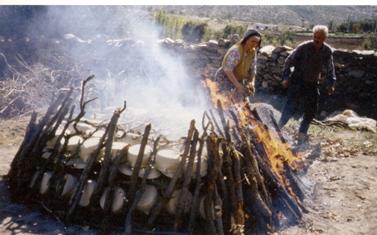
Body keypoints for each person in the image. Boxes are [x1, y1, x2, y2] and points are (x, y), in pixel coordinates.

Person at [278, 25, 336, 145]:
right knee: (291, 107)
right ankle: (277, 130)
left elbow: (331, 69)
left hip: (312, 82)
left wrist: (331, 83)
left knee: (311, 110)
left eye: (319, 37)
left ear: (324, 38)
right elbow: (288, 62)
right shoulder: (303, 47)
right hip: (297, 81)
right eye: (315, 36)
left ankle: (301, 134)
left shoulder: (327, 51)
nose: (316, 39)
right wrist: (285, 77)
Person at [214, 29, 262, 101]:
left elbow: (253, 69)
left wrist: (251, 82)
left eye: (257, 42)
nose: (255, 44)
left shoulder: (252, 51)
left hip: (238, 79)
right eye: (253, 41)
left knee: (241, 103)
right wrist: (238, 85)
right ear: (246, 40)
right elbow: (228, 70)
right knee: (224, 101)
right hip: (224, 78)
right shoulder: (236, 51)